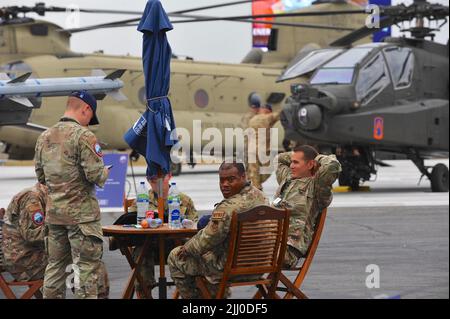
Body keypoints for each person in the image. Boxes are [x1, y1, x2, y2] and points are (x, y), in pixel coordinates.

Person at [34, 90, 110, 299]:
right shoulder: (83, 136)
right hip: (82, 218)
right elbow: (94, 175)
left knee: (55, 268)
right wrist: (105, 172)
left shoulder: (44, 137)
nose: (88, 122)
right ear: (86, 109)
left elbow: (41, 177)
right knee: (86, 269)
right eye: (90, 116)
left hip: (55, 214)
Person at [168, 161, 268, 299]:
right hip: (261, 266)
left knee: (176, 256)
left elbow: (208, 238)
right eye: (222, 180)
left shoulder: (228, 207)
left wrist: (187, 247)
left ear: (243, 177)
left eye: (231, 180)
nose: (225, 184)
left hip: (231, 269)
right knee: (210, 255)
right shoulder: (261, 197)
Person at [128, 173, 198, 298]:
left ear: (169, 176)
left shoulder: (184, 200)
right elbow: (128, 222)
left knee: (193, 253)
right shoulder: (142, 199)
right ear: (148, 181)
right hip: (150, 247)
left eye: (160, 178)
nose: (157, 183)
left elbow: (196, 227)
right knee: (141, 252)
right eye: (153, 180)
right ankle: (144, 293)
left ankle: (190, 295)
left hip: (178, 246)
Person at [272, 145, 341, 269]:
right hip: (271, 241)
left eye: (296, 162)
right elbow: (279, 159)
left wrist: (316, 158)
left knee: (240, 255)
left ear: (310, 165)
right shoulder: (287, 178)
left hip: (288, 249)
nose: (291, 166)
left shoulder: (317, 186)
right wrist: (296, 154)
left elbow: (332, 166)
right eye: (291, 162)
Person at [1, 183, 48, 282]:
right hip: (24, 262)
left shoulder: (44, 195)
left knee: (79, 261)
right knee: (78, 265)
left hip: (30, 255)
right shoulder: (32, 198)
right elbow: (33, 235)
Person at [247, 104, 280, 190]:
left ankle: (255, 186)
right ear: (268, 111)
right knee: (268, 169)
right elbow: (280, 114)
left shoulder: (252, 119)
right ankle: (256, 186)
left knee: (254, 171)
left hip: (252, 149)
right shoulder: (268, 117)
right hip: (263, 149)